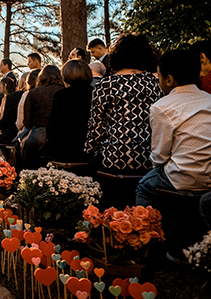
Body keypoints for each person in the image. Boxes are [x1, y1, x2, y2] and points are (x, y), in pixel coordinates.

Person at [135, 49, 211, 207]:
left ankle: (142, 228)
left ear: (169, 80)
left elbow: (159, 156)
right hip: (209, 177)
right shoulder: (209, 99)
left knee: (144, 186)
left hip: (180, 177)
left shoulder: (161, 107)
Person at [85, 33, 163, 174]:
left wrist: (89, 150)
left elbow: (96, 128)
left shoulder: (105, 85)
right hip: (151, 157)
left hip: (114, 156)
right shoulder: (156, 84)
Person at [19, 65, 65, 169]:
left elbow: (27, 121)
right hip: (60, 135)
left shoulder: (33, 93)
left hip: (38, 134)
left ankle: (23, 176)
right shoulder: (64, 91)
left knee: (20, 146)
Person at [48, 60, 93, 163]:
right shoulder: (95, 92)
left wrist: (54, 144)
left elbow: (54, 124)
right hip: (89, 148)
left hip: (65, 148)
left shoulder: (61, 95)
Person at [0, 77, 22, 149]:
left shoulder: (11, 98)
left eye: (1, 86)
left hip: (6, 126)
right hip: (0, 123)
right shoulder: (3, 99)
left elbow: (6, 117)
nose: (0, 88)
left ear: (5, 85)